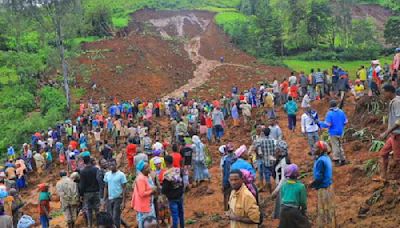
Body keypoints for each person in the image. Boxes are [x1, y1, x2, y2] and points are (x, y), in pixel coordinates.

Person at [310, 141, 336, 228]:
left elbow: (319, 177)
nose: (313, 149)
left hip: (323, 188)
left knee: (323, 209)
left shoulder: (320, 161)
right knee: (329, 208)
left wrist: (312, 185)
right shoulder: (326, 157)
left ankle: (325, 225)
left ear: (321, 150)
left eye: (316, 148)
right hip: (329, 186)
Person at [377, 85, 400, 181]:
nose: (383, 95)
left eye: (384, 93)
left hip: (398, 135)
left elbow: (399, 120)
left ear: (389, 92)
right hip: (393, 134)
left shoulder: (397, 102)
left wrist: (386, 132)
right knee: (383, 153)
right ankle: (383, 177)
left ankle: (397, 182)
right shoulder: (393, 101)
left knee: (398, 159)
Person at [320, 100, 348, 166]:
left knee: (335, 146)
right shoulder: (341, 111)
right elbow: (345, 122)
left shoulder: (330, 113)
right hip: (341, 131)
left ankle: (337, 160)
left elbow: (328, 124)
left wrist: (320, 123)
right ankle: (343, 159)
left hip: (333, 132)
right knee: (340, 145)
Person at [162, 156, 185, 228]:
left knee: (175, 215)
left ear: (166, 163)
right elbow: (182, 182)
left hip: (172, 198)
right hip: (180, 195)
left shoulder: (166, 175)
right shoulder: (178, 170)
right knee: (181, 213)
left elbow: (164, 189)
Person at [132, 160, 156, 228]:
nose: (149, 168)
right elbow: (142, 193)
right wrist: (152, 191)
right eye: (147, 167)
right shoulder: (141, 179)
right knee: (145, 222)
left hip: (148, 204)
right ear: (143, 170)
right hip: (144, 206)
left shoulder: (146, 176)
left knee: (149, 222)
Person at [103, 159, 127, 228]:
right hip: (110, 199)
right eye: (110, 165)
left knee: (115, 217)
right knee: (110, 217)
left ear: (116, 165)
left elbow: (124, 188)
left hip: (118, 198)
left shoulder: (121, 175)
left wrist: (123, 202)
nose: (111, 166)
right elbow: (105, 187)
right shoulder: (107, 174)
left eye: (113, 165)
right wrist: (104, 200)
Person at [270, 140, 290, 219]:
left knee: (283, 210)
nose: (275, 150)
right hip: (281, 187)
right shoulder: (281, 159)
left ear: (281, 150)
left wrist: (275, 191)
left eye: (277, 149)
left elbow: (284, 178)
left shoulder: (284, 162)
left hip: (283, 188)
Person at [79, 156, 100, 228]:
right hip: (97, 192)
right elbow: (99, 181)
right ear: (90, 161)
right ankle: (98, 225)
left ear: (84, 162)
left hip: (87, 193)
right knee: (97, 209)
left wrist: (81, 195)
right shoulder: (96, 169)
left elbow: (82, 185)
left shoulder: (82, 171)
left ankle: (90, 225)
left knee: (89, 210)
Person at [253, 127, 275, 193]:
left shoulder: (260, 141)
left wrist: (262, 156)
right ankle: (275, 186)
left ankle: (269, 190)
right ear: (270, 132)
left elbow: (259, 152)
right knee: (274, 174)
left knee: (266, 175)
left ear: (263, 133)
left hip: (265, 161)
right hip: (272, 160)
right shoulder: (273, 140)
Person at [221, 144, 236, 211]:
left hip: (229, 180)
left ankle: (227, 210)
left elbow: (226, 173)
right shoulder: (236, 158)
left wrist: (224, 183)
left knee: (226, 195)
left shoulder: (226, 160)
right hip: (237, 179)